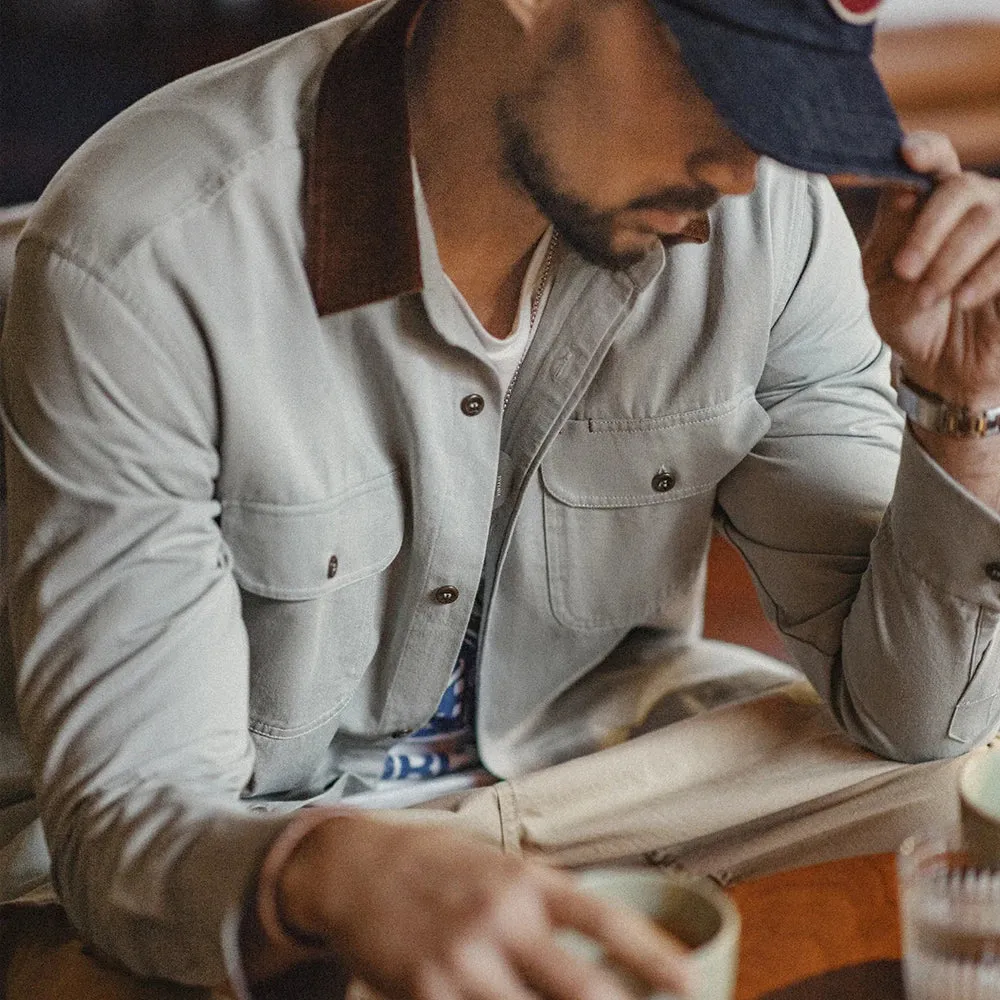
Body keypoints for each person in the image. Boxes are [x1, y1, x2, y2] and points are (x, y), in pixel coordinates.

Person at [3, 0, 1000, 996]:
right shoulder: (147, 256)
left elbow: (910, 719)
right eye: (720, 80)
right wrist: (329, 871)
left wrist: (963, 402)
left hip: (601, 786)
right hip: (275, 845)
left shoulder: (764, 214)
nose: (740, 170)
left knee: (967, 777)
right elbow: (132, 819)